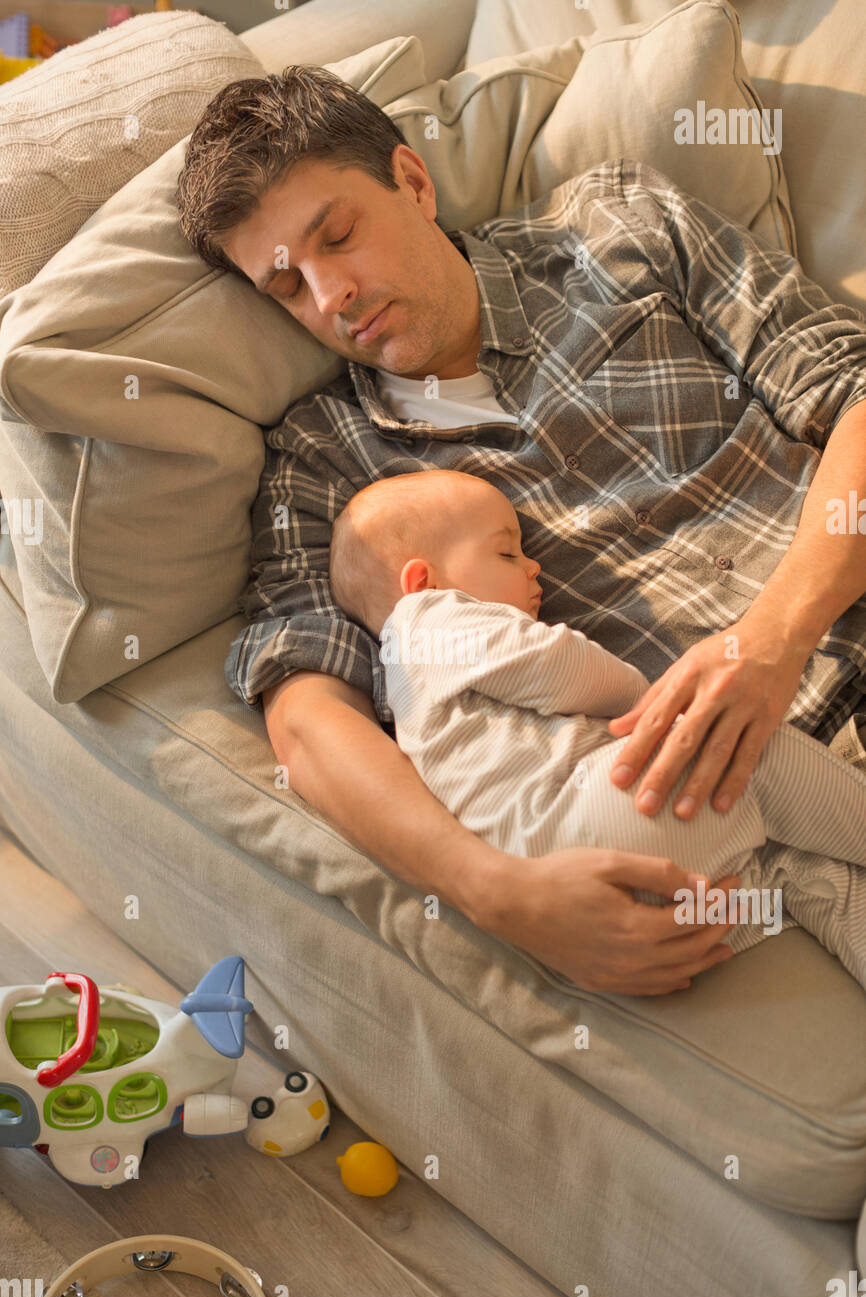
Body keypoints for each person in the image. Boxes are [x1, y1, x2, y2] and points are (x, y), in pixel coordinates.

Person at [175, 65, 866, 996]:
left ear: (413, 184)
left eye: (337, 235)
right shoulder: (322, 464)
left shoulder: (618, 228)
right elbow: (305, 715)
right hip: (748, 799)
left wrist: (775, 635)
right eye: (287, 285)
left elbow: (854, 391)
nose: (330, 294)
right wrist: (492, 889)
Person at [328, 468, 866, 988]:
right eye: (507, 552)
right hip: (587, 808)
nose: (534, 567)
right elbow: (554, 664)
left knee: (797, 872)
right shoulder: (430, 619)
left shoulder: (402, 692)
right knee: (739, 749)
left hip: (581, 881)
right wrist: (655, 705)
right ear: (422, 580)